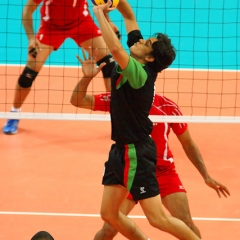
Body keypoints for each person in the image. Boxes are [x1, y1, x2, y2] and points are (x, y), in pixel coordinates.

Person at [70, 47, 230, 239]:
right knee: (108, 228)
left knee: (186, 223)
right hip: (130, 165)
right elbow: (78, 100)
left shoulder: (167, 107)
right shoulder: (121, 100)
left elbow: (188, 144)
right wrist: (87, 77)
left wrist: (206, 175)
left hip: (162, 171)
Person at [79, 0, 202, 239]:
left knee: (158, 219)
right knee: (109, 214)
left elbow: (115, 50)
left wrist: (99, 13)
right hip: (120, 149)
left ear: (150, 59)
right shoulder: (139, 56)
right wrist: (116, 2)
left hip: (136, 150)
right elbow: (129, 17)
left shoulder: (138, 73)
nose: (139, 40)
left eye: (146, 43)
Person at [2, 0, 118, 135]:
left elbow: (99, 2)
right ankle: (14, 114)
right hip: (51, 27)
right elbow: (28, 10)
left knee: (109, 64)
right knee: (28, 74)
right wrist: (31, 38)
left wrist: (108, 21)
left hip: (81, 22)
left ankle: (118, 114)